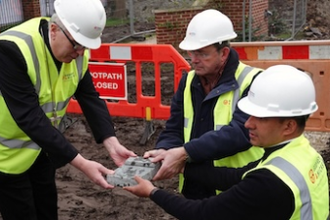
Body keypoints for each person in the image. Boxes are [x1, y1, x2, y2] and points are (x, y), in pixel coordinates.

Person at [124, 65, 329, 220]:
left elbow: (202, 213)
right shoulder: (303, 154)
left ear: (289, 126)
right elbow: (234, 177)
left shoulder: (270, 182)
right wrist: (179, 165)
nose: (248, 124)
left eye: (261, 118)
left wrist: (152, 192)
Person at [0, 0, 136, 219]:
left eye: (86, 46)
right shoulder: (11, 50)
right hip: (6, 157)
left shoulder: (77, 53)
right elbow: (29, 117)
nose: (81, 53)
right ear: (54, 29)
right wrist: (82, 163)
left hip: (41, 150)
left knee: (47, 211)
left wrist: (112, 142)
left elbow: (89, 96)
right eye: (77, 45)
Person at [144, 9, 264, 199]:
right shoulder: (188, 81)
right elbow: (175, 127)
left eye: (202, 53)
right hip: (194, 186)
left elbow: (240, 133)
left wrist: (185, 153)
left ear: (224, 53)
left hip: (234, 190)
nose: (194, 60)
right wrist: (164, 150)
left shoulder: (252, 81)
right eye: (191, 52)